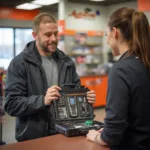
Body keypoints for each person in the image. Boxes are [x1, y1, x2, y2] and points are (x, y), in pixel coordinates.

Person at [4, 13, 96, 142]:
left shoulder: (67, 62)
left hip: (64, 134)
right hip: (33, 139)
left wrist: (86, 98)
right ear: (35, 35)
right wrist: (43, 100)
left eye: (56, 34)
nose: (53, 39)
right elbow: (11, 105)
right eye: (48, 34)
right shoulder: (19, 64)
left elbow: (75, 93)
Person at [86, 7, 150, 150]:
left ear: (114, 33)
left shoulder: (121, 70)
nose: (107, 39)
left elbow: (113, 133)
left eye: (106, 33)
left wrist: (96, 136)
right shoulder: (144, 63)